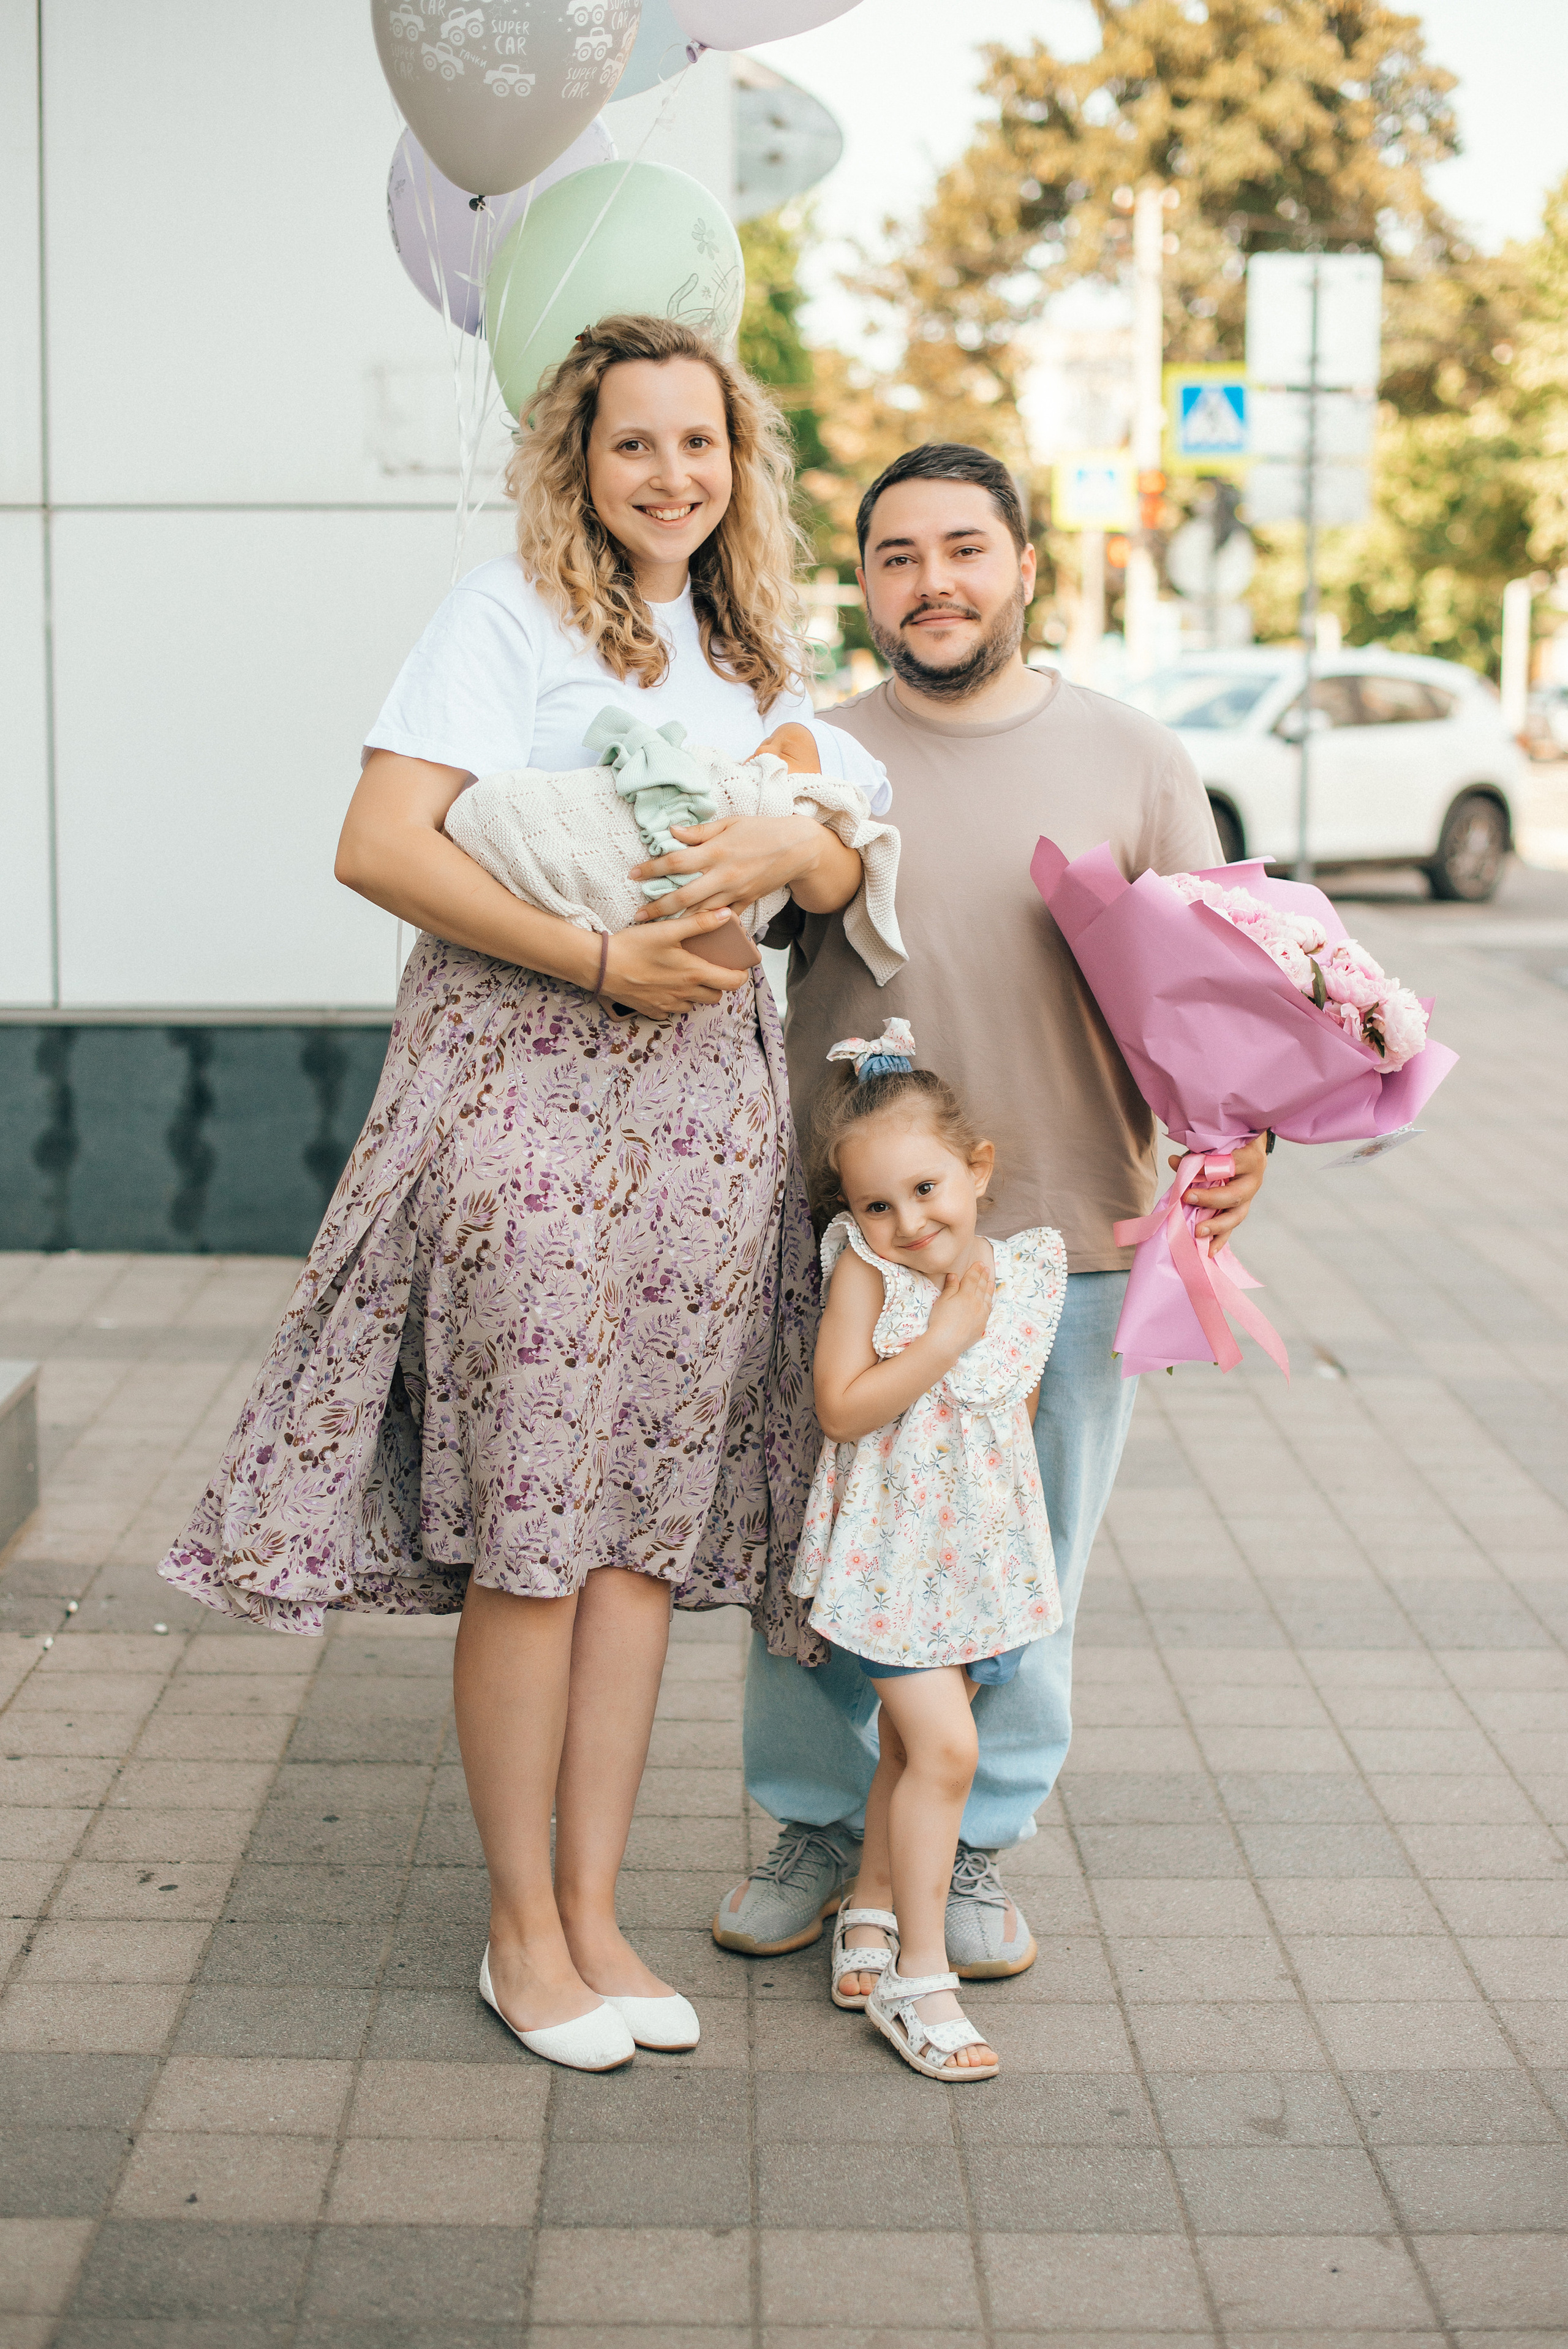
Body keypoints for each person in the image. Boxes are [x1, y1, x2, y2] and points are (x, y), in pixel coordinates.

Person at [160, 315, 874, 2073]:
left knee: (639, 1532)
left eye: (699, 443)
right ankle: (518, 1925)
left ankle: (599, 1901)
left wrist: (813, 844)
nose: (670, 475)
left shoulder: (747, 644)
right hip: (532, 1094)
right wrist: (594, 954)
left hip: (706, 1113)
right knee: (542, 1533)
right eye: (634, 444)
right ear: (578, 460)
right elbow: (380, 842)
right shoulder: (506, 617)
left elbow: (841, 851)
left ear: (738, 460)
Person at [717, 441, 1268, 1975]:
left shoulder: (1136, 756)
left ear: (1024, 564)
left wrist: (1247, 1146)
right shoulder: (808, 760)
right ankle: (821, 1821)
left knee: (1024, 1568)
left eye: (963, 548)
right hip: (850, 1243)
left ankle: (971, 1845)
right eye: (897, 555)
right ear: (867, 582)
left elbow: (1220, 1002)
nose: (932, 582)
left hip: (1072, 1235)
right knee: (815, 1551)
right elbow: (712, 949)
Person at [793, 1020, 1066, 2080]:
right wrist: (942, 1337)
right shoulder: (868, 1276)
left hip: (973, 1563)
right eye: (876, 1202)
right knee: (949, 1752)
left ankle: (868, 1903)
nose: (907, 1220)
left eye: (926, 1189)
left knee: (914, 1752)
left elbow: (1012, 1417)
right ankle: (920, 1978)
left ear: (977, 1168)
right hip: (889, 1562)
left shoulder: (1023, 1275)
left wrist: (1008, 1549)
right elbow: (841, 1405)